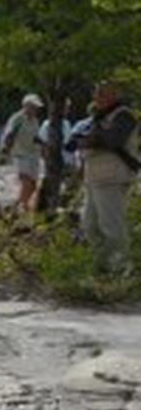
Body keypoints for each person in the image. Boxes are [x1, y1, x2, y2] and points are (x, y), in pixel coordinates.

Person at [77, 82, 139, 277]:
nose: (98, 98)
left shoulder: (124, 116)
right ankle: (102, 265)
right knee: (89, 225)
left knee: (112, 226)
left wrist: (90, 139)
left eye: (103, 94)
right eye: (96, 94)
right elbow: (79, 141)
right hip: (94, 178)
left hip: (113, 178)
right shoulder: (95, 117)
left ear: (115, 95)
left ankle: (120, 268)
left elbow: (112, 140)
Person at [1, 94, 45, 211]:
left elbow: (35, 137)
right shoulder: (17, 118)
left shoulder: (35, 120)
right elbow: (9, 134)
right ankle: (23, 207)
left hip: (34, 155)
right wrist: (6, 148)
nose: (35, 109)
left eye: (36, 107)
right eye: (33, 107)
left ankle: (17, 205)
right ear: (26, 106)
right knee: (26, 182)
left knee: (34, 184)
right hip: (20, 154)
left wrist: (44, 146)